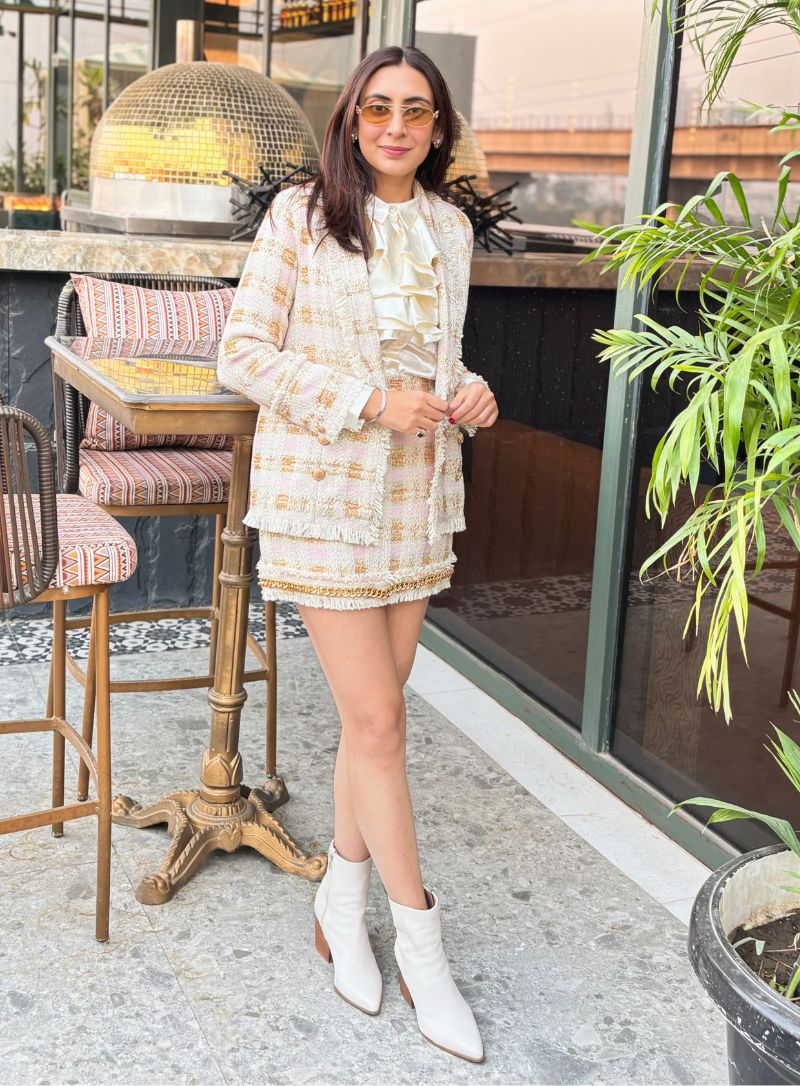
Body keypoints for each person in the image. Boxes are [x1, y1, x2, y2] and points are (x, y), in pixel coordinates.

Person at [218, 44, 498, 1064]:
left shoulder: (449, 229)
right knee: (380, 723)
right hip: (324, 498)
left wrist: (470, 393)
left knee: (365, 725)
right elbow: (242, 354)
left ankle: (339, 905)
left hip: (417, 501)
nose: (395, 126)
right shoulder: (302, 216)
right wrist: (369, 401)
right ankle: (421, 946)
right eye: (377, 108)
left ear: (437, 127)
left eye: (415, 111)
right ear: (349, 119)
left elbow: (437, 359)